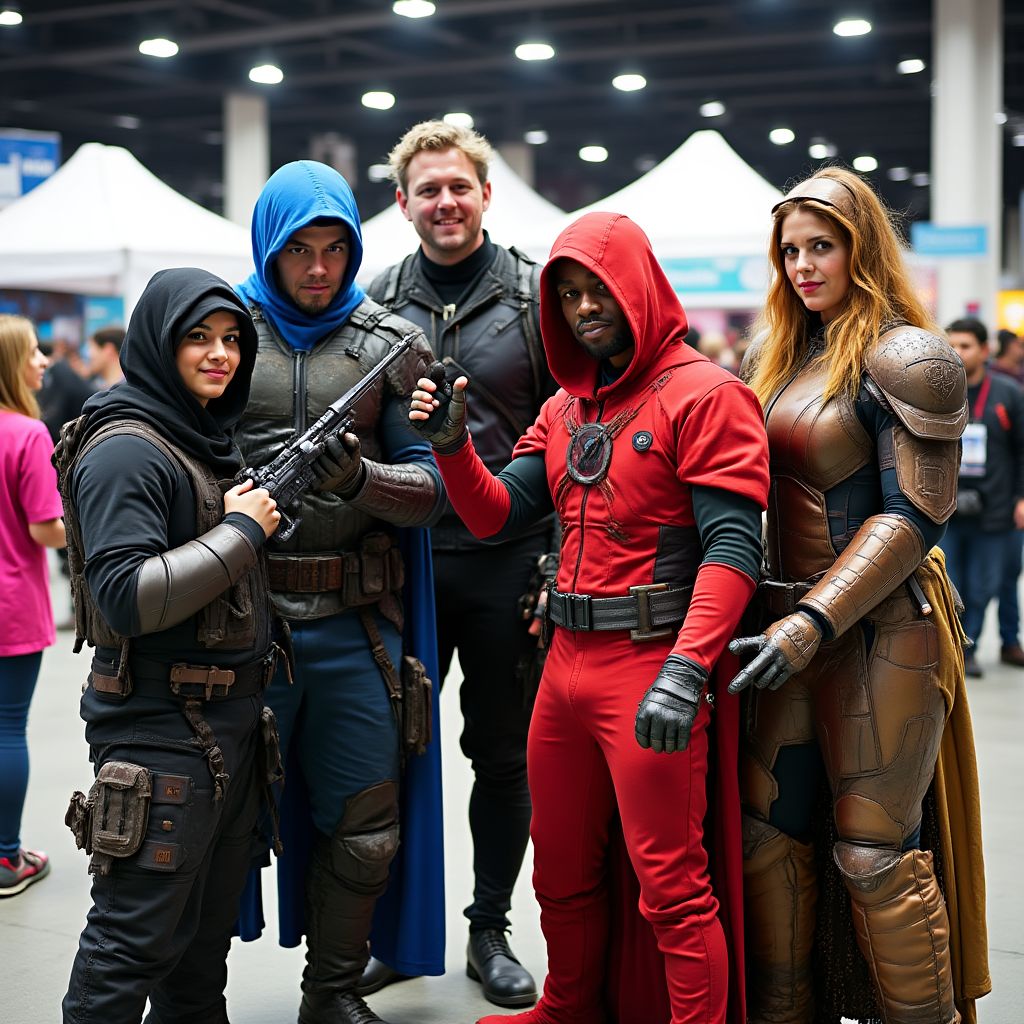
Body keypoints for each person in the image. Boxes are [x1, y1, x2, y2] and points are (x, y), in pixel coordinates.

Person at [411, 210, 770, 1024]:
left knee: (672, 885)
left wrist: (685, 671)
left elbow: (732, 550)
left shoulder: (706, 395)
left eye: (596, 288)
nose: (581, 308)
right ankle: (569, 1007)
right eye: (566, 294)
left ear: (638, 286)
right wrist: (452, 444)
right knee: (561, 870)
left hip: (650, 662)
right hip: (565, 662)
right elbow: (498, 513)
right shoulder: (566, 409)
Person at [730, 168, 989, 1024]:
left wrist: (813, 619)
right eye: (791, 250)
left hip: (883, 631)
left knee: (875, 853)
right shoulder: (779, 358)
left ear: (861, 248)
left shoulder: (909, 355)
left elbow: (916, 515)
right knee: (770, 845)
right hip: (783, 628)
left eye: (822, 246)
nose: (804, 265)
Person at [233, 160, 445, 1024]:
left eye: (334, 248)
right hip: (242, 626)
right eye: (299, 251)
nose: (318, 269)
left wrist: (359, 477)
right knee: (217, 823)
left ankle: (331, 994)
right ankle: (189, 993)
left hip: (357, 627)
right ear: (269, 250)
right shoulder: (222, 330)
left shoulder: (391, 343)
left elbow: (431, 490)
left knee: (367, 825)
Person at [363, 120, 556, 1007]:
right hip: (400, 564)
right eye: (427, 190)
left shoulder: (533, 297)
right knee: (390, 754)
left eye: (459, 187)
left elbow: (572, 437)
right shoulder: (375, 301)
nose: (445, 202)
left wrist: (556, 562)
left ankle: (488, 928)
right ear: (403, 204)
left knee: (503, 758)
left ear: (486, 193)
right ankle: (399, 933)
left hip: (505, 561)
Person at [60, 268, 281, 1024]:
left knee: (198, 952)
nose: (219, 354)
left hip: (227, 724)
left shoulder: (202, 436)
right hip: (159, 729)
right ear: (160, 341)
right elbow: (125, 593)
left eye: (231, 340)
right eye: (198, 338)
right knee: (131, 946)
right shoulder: (128, 448)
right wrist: (244, 529)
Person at [0, 314, 66, 897]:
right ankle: (4, 859)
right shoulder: (26, 433)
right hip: (10, 603)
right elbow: (47, 530)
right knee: (6, 728)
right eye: (33, 351)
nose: (43, 360)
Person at [942, 317, 1024, 677]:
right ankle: (959, 649)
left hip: (995, 509)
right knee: (950, 584)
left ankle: (969, 643)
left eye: (966, 346)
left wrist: (1021, 498)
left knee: (984, 585)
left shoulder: (1008, 394)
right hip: (947, 508)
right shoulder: (938, 390)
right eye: (952, 345)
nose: (957, 353)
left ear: (984, 350)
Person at [87, 325, 126, 389]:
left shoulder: (129, 389)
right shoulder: (98, 386)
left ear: (108, 350)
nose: (89, 355)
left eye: (92, 348)